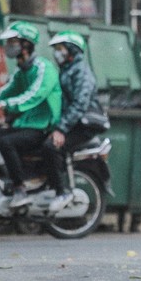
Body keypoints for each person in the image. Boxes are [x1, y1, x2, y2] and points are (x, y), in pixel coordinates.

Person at [0, 21, 62, 208]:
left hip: (42, 126)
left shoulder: (44, 68)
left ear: (25, 44)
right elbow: (4, 92)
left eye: (13, 42)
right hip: (23, 125)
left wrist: (1, 105)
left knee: (5, 142)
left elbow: (33, 96)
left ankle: (20, 189)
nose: (8, 46)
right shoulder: (21, 71)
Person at [42, 31, 108, 214]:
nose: (57, 53)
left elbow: (80, 104)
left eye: (60, 49)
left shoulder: (81, 72)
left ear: (71, 50)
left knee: (51, 147)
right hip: (73, 123)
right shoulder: (67, 70)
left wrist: (61, 130)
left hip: (84, 125)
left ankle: (62, 192)